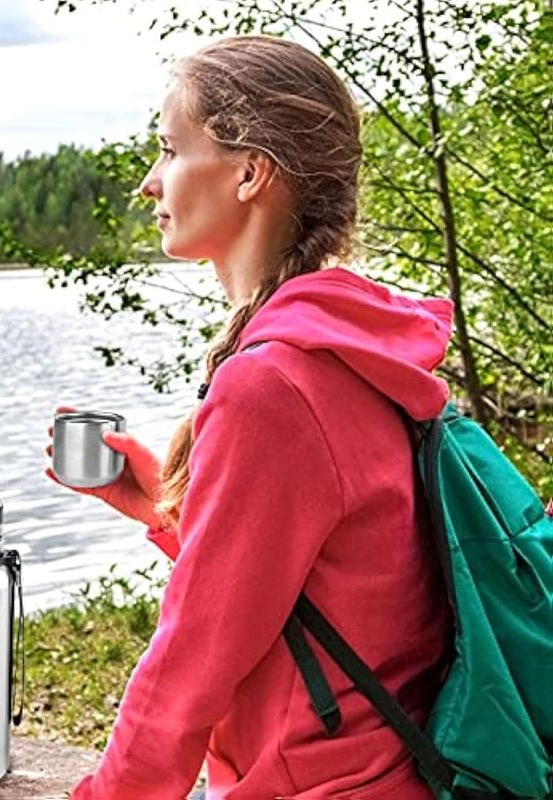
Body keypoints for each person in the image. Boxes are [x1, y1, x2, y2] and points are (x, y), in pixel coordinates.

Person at [44, 34, 454, 800]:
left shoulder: (274, 385)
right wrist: (168, 509)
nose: (148, 182)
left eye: (170, 150)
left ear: (248, 173)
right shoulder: (349, 344)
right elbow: (320, 586)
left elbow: (191, 665)